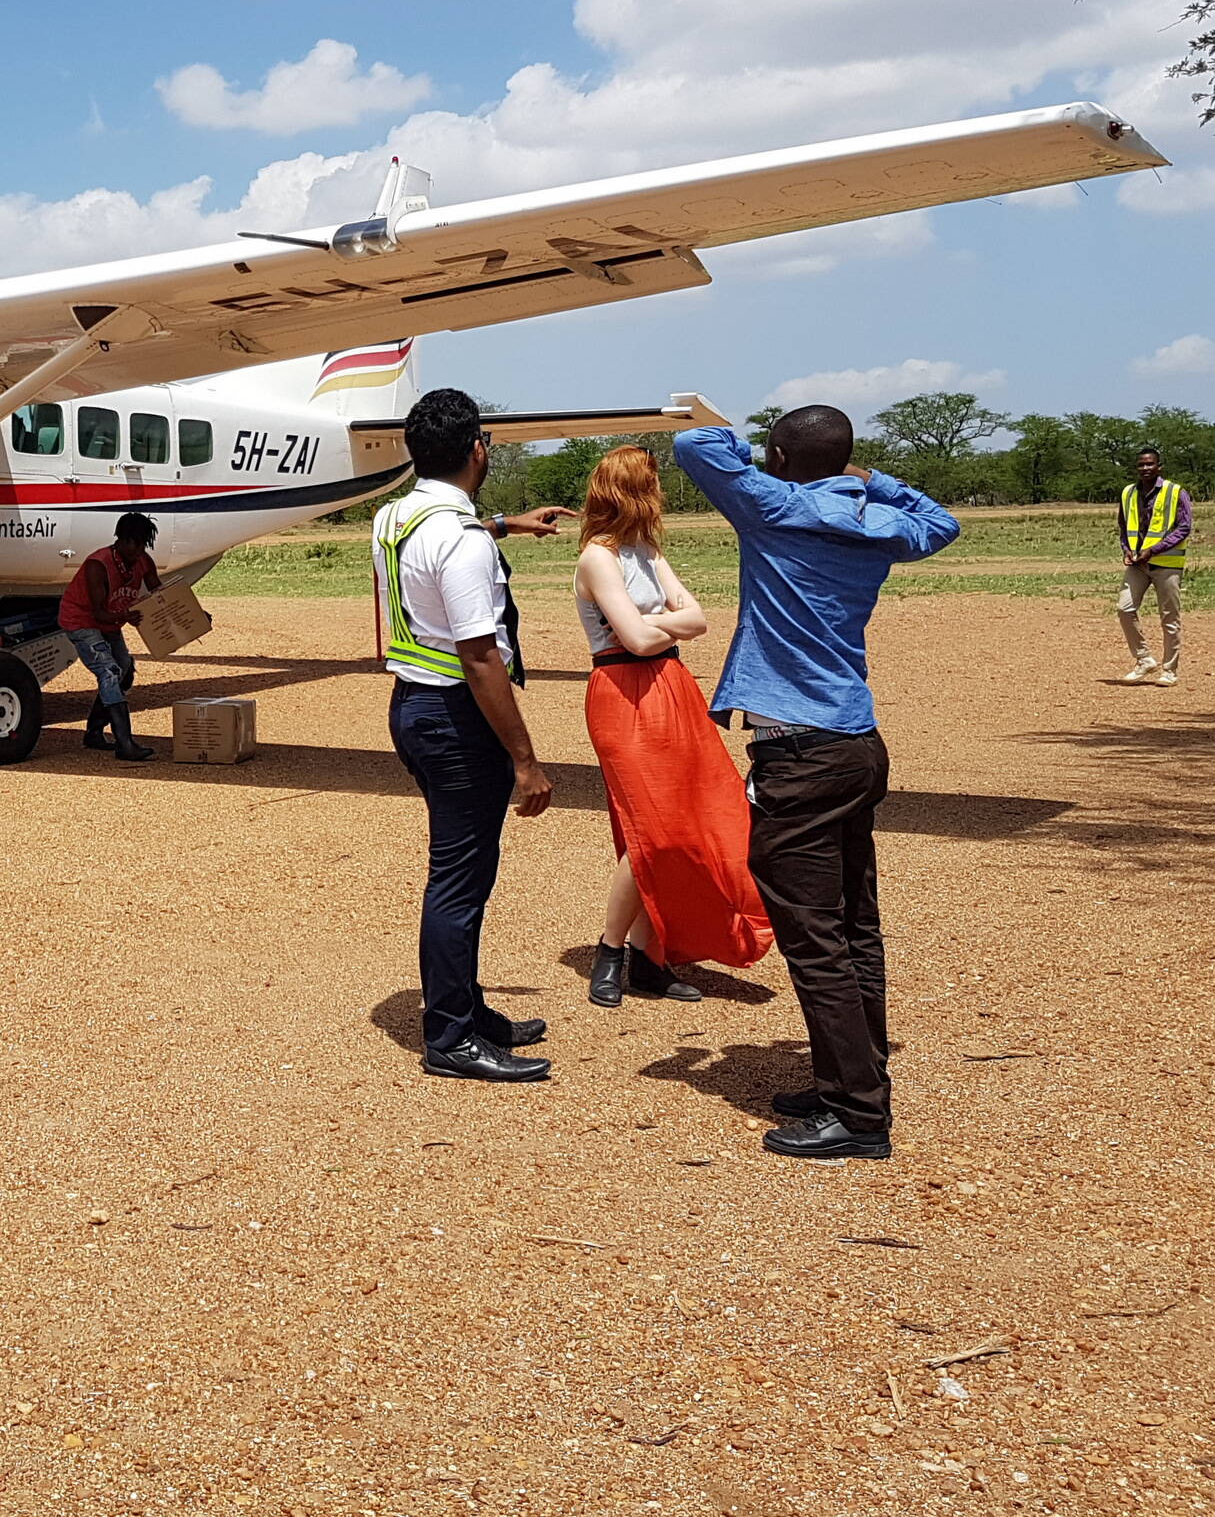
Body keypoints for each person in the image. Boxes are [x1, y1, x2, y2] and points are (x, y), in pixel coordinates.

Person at [674, 408, 959, 1162]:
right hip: (853, 739)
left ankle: (858, 1113)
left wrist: (726, 427)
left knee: (814, 935)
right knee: (854, 920)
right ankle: (856, 1070)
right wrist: (870, 479)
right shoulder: (880, 520)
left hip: (798, 752)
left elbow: (692, 444)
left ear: (779, 454)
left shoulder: (776, 505)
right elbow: (943, 522)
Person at [372, 388, 576, 1085]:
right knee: (459, 880)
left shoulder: (396, 515)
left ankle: (465, 1005)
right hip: (456, 717)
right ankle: (452, 1036)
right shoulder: (458, 540)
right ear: (477, 449)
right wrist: (526, 759)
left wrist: (506, 525)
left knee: (463, 873)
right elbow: (480, 654)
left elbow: (448, 536)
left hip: (412, 707)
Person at [573, 446, 774, 1008]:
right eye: (651, 483)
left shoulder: (647, 551)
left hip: (670, 688)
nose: (659, 494)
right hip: (621, 692)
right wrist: (665, 624)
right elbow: (635, 641)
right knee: (653, 829)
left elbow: (700, 621)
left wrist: (651, 623)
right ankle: (611, 950)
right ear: (632, 490)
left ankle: (650, 958)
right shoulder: (597, 557)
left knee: (685, 820)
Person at [60, 512, 163, 763]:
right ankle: (124, 743)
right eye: (134, 543)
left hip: (111, 620)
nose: (139, 549)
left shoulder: (142, 560)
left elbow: (160, 592)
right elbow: (98, 612)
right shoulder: (98, 564)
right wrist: (126, 615)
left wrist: (190, 609)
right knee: (109, 671)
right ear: (120, 539)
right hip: (82, 621)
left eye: (143, 544)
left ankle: (94, 732)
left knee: (124, 670)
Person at [1116, 446, 1190, 686]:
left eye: (1150, 464)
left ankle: (1170, 670)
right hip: (1138, 564)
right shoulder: (1128, 493)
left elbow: (1183, 527)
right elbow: (1124, 526)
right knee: (1125, 608)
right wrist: (1128, 550)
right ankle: (1144, 659)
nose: (1145, 468)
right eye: (1141, 465)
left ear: (1159, 466)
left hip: (1166, 564)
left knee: (1169, 618)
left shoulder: (1175, 492)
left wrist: (1153, 550)